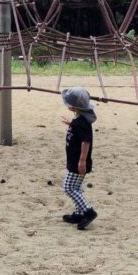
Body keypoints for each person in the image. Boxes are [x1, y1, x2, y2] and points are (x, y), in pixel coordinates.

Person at [59, 86, 97, 230]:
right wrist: (71, 123)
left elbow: (86, 142)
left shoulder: (82, 122)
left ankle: (88, 211)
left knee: (68, 188)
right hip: (74, 159)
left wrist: (82, 160)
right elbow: (80, 131)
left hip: (78, 162)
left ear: (74, 107)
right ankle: (79, 213)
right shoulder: (79, 120)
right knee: (76, 188)